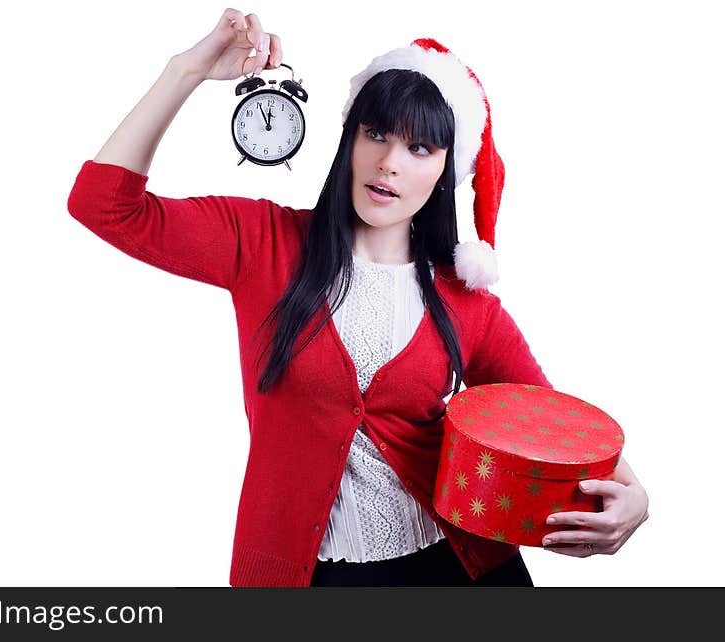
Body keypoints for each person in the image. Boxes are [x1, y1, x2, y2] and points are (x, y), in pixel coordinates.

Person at [66, 8, 649, 587]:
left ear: (447, 170)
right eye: (376, 134)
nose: (389, 164)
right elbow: (103, 205)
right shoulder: (262, 244)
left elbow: (551, 424)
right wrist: (185, 71)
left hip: (458, 568)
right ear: (349, 139)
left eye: (420, 149)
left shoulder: (465, 301)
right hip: (309, 575)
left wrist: (634, 493)